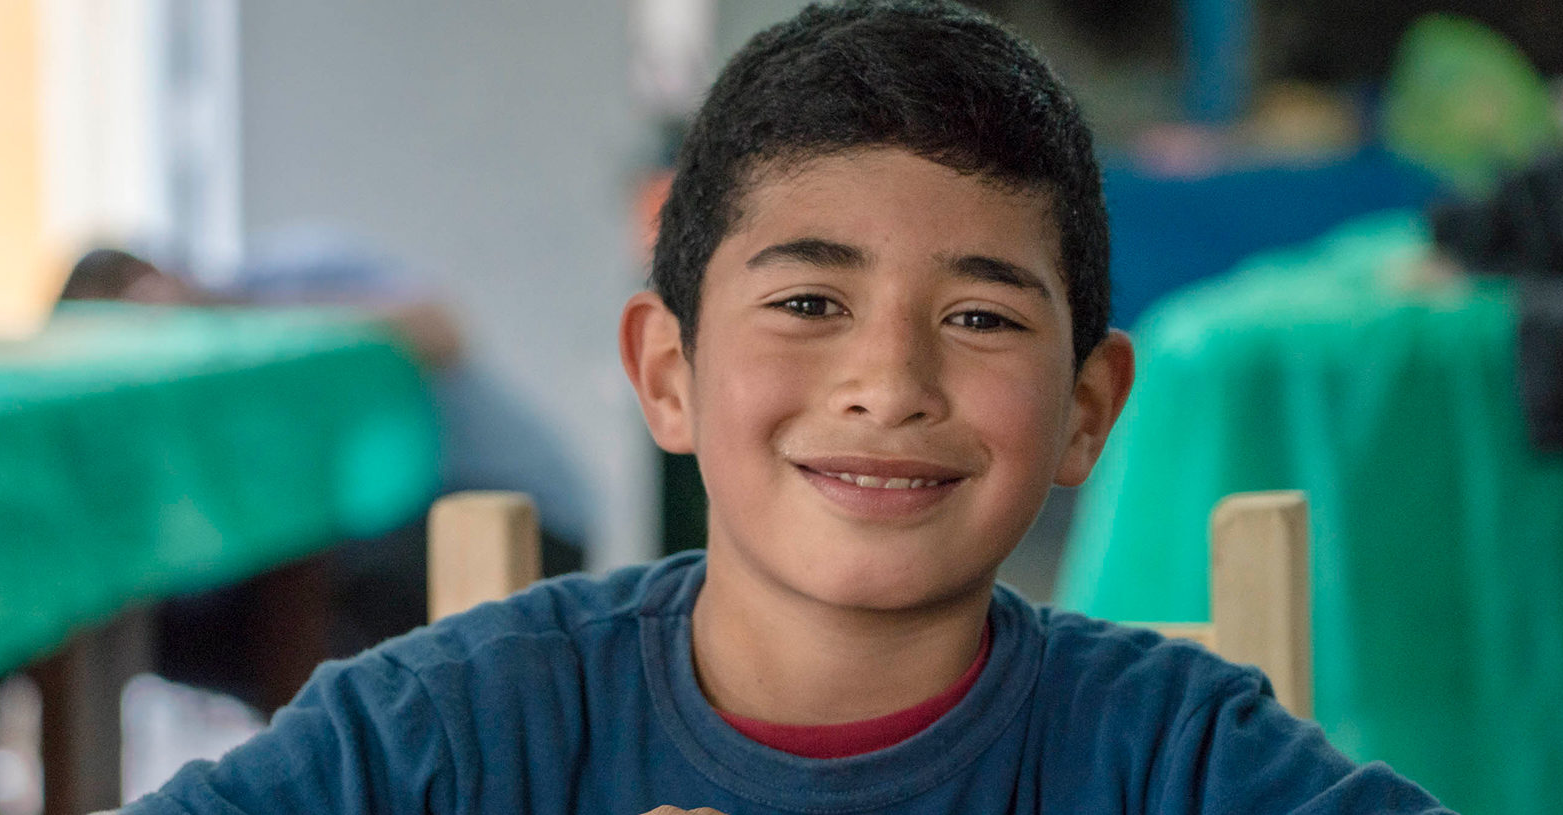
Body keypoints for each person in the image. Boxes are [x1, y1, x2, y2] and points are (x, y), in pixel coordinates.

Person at [117, 2, 1451, 812]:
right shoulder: (450, 736)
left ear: (1091, 409)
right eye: (811, 304)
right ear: (668, 373)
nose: (889, 382)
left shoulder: (1181, 760)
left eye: (979, 317)